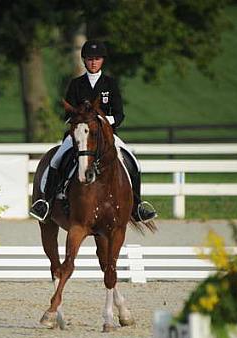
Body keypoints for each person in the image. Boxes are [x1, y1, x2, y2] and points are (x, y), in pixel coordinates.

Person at [29, 40, 157, 223]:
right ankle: (46, 203)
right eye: (90, 59)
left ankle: (137, 206)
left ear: (102, 61)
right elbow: (67, 113)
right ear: (84, 61)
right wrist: (78, 121)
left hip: (106, 134)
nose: (93, 62)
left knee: (134, 163)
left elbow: (120, 114)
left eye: (97, 59)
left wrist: (103, 121)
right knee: (56, 160)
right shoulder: (76, 84)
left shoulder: (110, 84)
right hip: (80, 136)